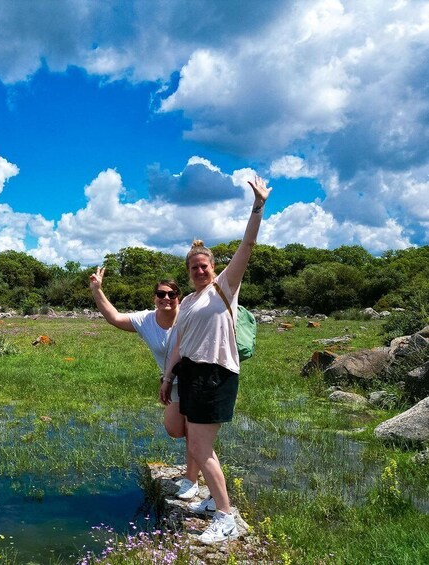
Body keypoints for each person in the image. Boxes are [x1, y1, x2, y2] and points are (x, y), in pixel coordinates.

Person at [160, 175, 271, 544]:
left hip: (216, 374)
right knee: (186, 435)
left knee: (200, 447)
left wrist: (257, 206)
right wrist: (167, 377)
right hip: (189, 375)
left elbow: (248, 244)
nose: (200, 271)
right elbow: (178, 343)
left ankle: (225, 514)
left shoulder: (225, 286)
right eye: (194, 268)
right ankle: (211, 503)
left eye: (204, 266)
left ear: (213, 267)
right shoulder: (188, 302)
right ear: (188, 272)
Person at [89, 267, 201, 497]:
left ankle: (192, 479)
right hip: (173, 384)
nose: (166, 298)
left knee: (194, 430)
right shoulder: (146, 319)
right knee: (174, 429)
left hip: (197, 380)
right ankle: (194, 472)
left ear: (179, 297)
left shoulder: (189, 315)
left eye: (172, 294)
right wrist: (97, 290)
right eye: (161, 294)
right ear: (155, 298)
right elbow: (115, 318)